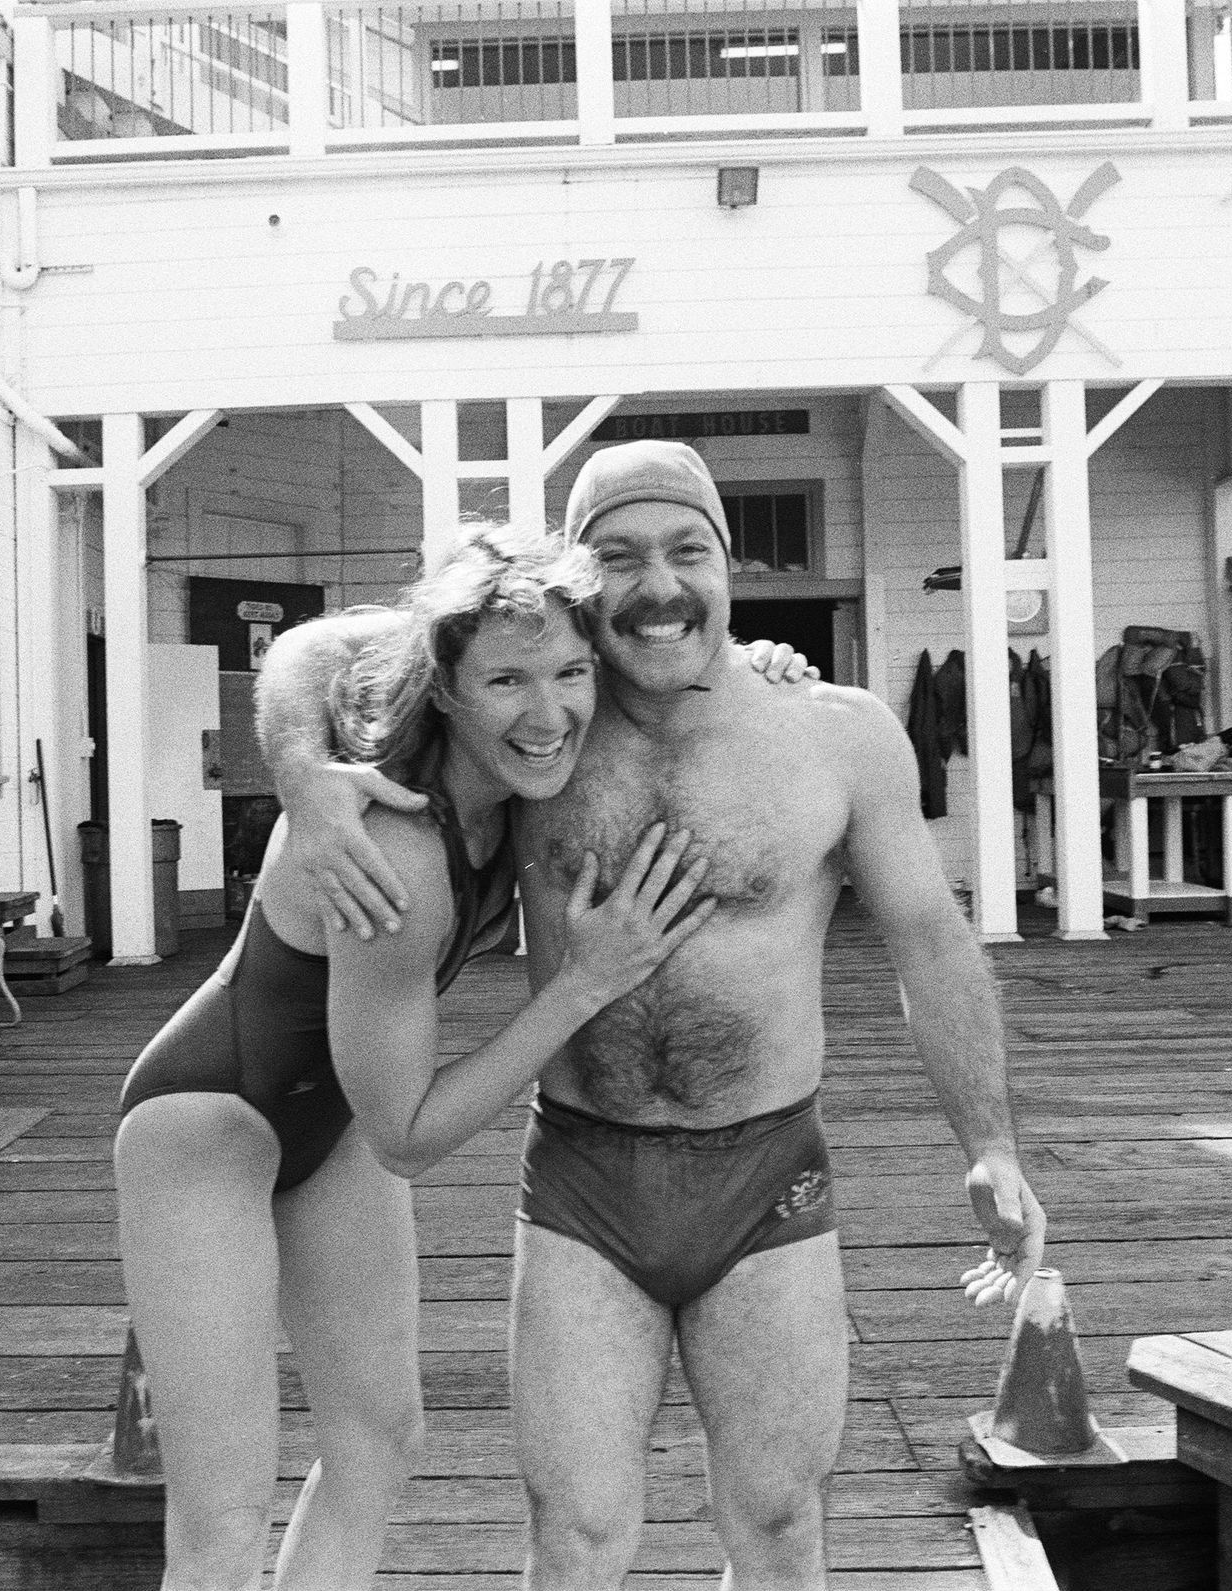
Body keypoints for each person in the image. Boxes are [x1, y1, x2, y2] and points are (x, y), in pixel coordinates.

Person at [262, 441, 1047, 1590]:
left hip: (770, 1178)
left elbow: (929, 937)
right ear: (582, 583)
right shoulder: (540, 731)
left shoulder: (838, 735)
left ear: (730, 566)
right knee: (578, 1535)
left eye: (689, 550)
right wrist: (298, 771)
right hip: (585, 1181)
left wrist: (990, 1144)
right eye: (620, 557)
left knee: (777, 1522)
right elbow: (315, 650)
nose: (661, 584)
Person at [113, 525, 717, 1590]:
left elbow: (317, 645)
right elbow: (408, 1134)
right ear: (444, 687)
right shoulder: (397, 842)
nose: (549, 713)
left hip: (334, 1116)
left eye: (570, 673)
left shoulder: (507, 785)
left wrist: (765, 664)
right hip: (206, 1127)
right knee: (222, 1518)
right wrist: (583, 983)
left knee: (379, 1442)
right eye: (507, 681)